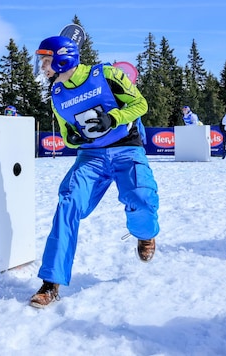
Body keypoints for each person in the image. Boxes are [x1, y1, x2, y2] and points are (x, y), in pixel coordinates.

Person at [30, 36, 160, 308]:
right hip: (91, 157)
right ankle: (50, 282)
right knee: (68, 204)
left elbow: (140, 105)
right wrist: (74, 140)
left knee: (142, 200)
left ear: (62, 58)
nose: (43, 67)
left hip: (127, 149)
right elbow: (66, 136)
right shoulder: (57, 95)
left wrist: (113, 117)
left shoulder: (108, 74)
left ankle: (145, 235)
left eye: (46, 61)